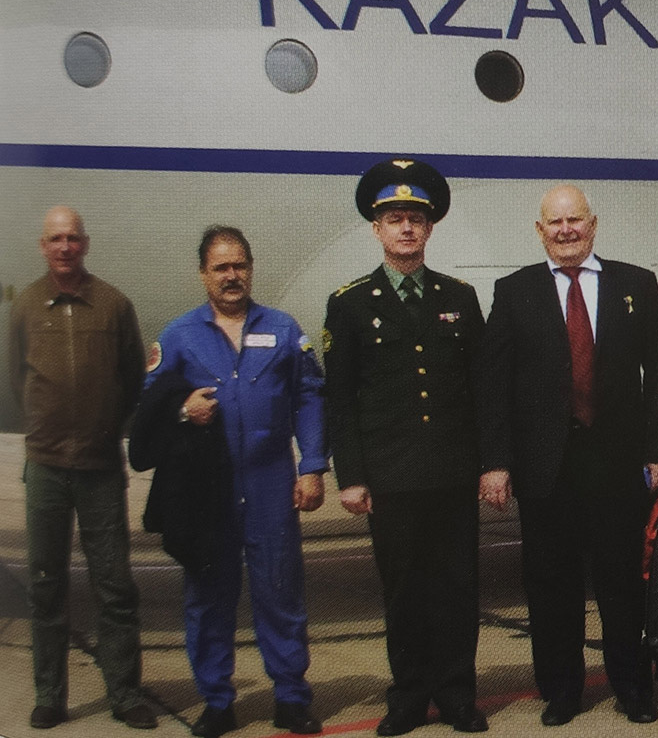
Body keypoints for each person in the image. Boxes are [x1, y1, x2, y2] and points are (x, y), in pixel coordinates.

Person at [478, 185, 658, 726]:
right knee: (551, 585)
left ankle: (632, 686)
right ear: (540, 231)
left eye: (575, 220)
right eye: (555, 223)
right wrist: (496, 461)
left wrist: (657, 450)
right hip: (546, 467)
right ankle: (561, 690)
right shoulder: (514, 291)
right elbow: (494, 386)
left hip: (617, 463)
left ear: (593, 224)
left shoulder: (636, 284)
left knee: (622, 582)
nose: (566, 231)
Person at [322, 159, 488, 735]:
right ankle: (410, 696)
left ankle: (458, 695)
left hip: (452, 472)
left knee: (458, 588)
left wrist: (491, 463)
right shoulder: (350, 303)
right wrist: (351, 475)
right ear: (377, 229)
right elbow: (340, 400)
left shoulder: (460, 297)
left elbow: (481, 389)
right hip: (391, 476)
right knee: (404, 592)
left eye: (415, 219)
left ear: (430, 227)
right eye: (395, 219)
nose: (407, 228)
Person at [145, 226, 326, 737]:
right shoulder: (179, 335)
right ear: (203, 274)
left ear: (250, 268)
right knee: (207, 596)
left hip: (271, 483)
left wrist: (312, 465)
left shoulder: (284, 329)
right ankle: (217, 701)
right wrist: (183, 407)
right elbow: (150, 402)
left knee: (280, 591)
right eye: (221, 267)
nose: (232, 276)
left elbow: (310, 396)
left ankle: (291, 697)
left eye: (239, 265)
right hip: (208, 492)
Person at [9, 207, 156, 730]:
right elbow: (17, 377)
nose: (65, 247)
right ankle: (50, 695)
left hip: (99, 469)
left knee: (114, 585)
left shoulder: (114, 305)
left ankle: (125, 694)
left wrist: (100, 427)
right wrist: (47, 429)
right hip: (46, 469)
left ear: (86, 244)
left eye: (73, 238)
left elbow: (133, 380)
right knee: (45, 585)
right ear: (43, 246)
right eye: (55, 239)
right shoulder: (25, 305)